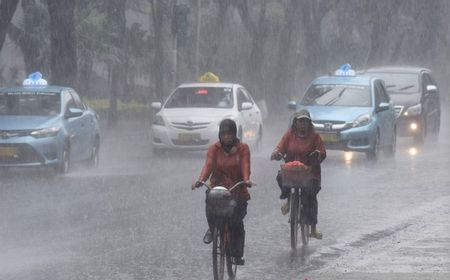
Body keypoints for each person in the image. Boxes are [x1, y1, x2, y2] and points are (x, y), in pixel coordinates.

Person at [192, 119, 252, 265]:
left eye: (229, 134)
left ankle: (237, 255)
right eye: (224, 134)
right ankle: (213, 229)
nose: (226, 137)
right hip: (218, 189)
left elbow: (245, 165)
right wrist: (201, 180)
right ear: (220, 135)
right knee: (210, 205)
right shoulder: (214, 149)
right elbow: (208, 165)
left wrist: (246, 179)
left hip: (237, 190)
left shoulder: (243, 148)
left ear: (234, 135)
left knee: (236, 222)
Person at [270, 109, 326, 239]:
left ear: (309, 123)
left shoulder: (315, 137)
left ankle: (313, 229)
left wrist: (318, 155)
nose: (303, 124)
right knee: (280, 177)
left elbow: (322, 152)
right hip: (291, 172)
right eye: (300, 121)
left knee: (310, 197)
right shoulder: (289, 135)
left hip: (310, 173)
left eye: (305, 121)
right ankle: (289, 200)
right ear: (295, 123)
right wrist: (276, 153)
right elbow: (280, 147)